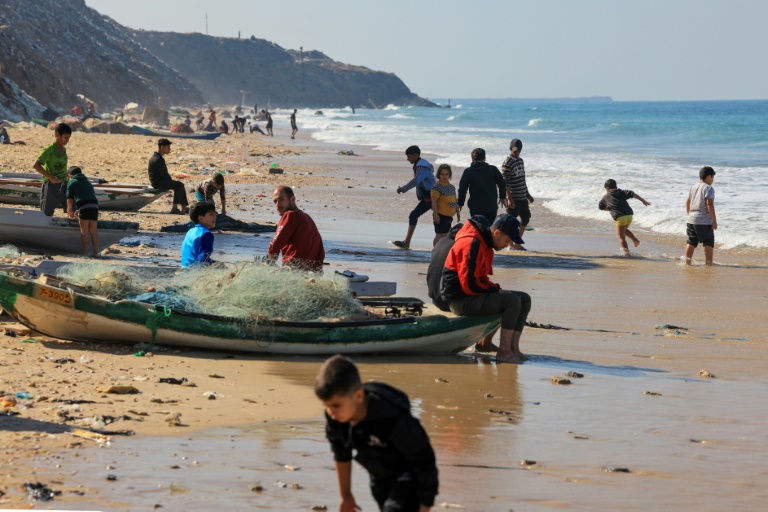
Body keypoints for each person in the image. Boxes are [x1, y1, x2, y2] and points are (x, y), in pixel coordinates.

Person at [315, 355, 438, 512]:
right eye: (326, 406)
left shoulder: (392, 418)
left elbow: (425, 461)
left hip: (408, 475)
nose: (331, 412)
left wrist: (426, 505)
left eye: (336, 405)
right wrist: (345, 496)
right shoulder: (336, 417)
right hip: (378, 476)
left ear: (358, 396)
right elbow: (341, 454)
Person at [441, 214, 531, 364]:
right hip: (459, 300)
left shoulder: (485, 244)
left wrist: (497, 289)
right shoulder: (472, 243)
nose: (507, 245)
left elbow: (481, 279)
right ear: (496, 233)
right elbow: (469, 286)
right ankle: (504, 352)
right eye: (507, 240)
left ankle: (513, 348)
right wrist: (496, 292)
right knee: (511, 302)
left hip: (469, 296)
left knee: (524, 298)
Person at [427, 216, 500, 352]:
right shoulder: (467, 244)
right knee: (498, 300)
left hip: (434, 295)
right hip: (448, 300)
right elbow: (468, 282)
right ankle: (485, 342)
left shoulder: (442, 241)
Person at [267, 185, 325, 271]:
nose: (278, 205)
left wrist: (268, 263)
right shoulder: (306, 217)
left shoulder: (290, 215)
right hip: (311, 271)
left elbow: (276, 243)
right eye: (275, 201)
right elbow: (320, 249)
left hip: (293, 270)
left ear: (292, 199)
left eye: (281, 199)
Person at [392, 146, 436, 249]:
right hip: (427, 197)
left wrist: (402, 189)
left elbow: (415, 181)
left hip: (434, 197)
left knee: (439, 221)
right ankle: (406, 243)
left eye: (409, 156)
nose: (408, 159)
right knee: (413, 215)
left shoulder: (421, 167)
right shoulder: (419, 165)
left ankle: (448, 245)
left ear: (416, 155)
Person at [598, 179, 651, 255]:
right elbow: (632, 194)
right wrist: (643, 200)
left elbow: (601, 207)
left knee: (621, 237)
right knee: (624, 230)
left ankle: (627, 254)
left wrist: (610, 208)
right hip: (629, 216)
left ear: (607, 188)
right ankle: (635, 240)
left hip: (620, 217)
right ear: (616, 186)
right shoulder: (622, 192)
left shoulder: (605, 197)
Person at [457, 148, 506, 225]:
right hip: (491, 207)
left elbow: (462, 189)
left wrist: (460, 203)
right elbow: (502, 183)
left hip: (476, 208)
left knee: (478, 231)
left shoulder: (469, 171)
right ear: (485, 158)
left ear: (472, 158)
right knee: (489, 231)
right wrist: (502, 197)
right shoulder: (493, 169)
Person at [33, 122, 72, 216]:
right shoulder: (49, 150)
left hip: (64, 184)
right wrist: (51, 177)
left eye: (69, 138)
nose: (67, 140)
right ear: (57, 135)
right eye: (65, 137)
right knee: (47, 213)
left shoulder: (63, 149)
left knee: (71, 209)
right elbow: (36, 165)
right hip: (51, 185)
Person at [502, 139, 534, 249]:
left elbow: (522, 179)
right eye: (515, 151)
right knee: (511, 222)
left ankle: (517, 243)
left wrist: (528, 194)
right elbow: (505, 182)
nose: (517, 153)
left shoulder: (520, 161)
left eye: (519, 151)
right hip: (513, 197)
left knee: (526, 218)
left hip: (522, 196)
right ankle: (510, 244)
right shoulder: (507, 162)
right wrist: (509, 198)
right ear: (510, 149)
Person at [684, 166, 718, 265]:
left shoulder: (693, 187)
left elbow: (687, 202)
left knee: (691, 241)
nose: (713, 180)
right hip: (704, 221)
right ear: (708, 177)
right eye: (713, 178)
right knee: (708, 241)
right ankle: (708, 263)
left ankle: (687, 262)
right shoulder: (709, 188)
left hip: (691, 219)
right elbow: (710, 204)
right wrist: (714, 221)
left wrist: (689, 215)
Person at [147, 138, 189, 214]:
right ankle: (175, 208)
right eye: (168, 147)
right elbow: (164, 174)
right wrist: (171, 182)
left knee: (179, 184)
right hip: (158, 183)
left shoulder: (156, 157)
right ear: (162, 147)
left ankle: (184, 207)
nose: (169, 149)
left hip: (158, 181)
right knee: (179, 185)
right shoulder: (158, 159)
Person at [65, 166, 100, 258]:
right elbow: (88, 197)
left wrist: (69, 210)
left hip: (84, 206)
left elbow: (70, 198)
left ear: (70, 175)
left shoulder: (72, 182)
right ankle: (96, 253)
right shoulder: (88, 182)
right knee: (93, 231)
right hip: (94, 206)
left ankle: (85, 253)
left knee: (84, 231)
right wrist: (79, 210)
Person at [430, 164, 459, 247]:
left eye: (447, 174)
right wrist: (435, 214)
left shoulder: (451, 187)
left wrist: (457, 212)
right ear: (438, 175)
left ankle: (442, 251)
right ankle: (435, 250)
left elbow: (454, 200)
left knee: (446, 235)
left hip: (449, 215)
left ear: (450, 175)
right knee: (439, 235)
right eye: (442, 174)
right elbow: (434, 201)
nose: (444, 176)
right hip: (440, 214)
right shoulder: (436, 187)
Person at [181, 202, 217, 268]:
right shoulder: (206, 234)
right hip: (195, 273)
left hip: (184, 271)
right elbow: (203, 260)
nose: (215, 216)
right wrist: (219, 264)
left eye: (215, 214)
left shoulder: (190, 231)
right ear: (200, 218)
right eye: (211, 214)